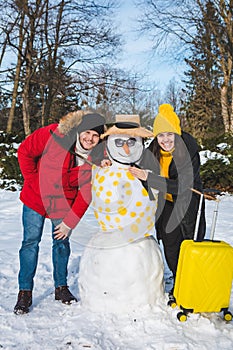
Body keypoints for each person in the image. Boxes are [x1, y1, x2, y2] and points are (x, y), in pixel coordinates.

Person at [14, 110, 106, 314]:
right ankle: (25, 292)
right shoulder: (54, 135)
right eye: (87, 132)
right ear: (80, 129)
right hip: (35, 198)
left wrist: (69, 223)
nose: (90, 138)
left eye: (95, 135)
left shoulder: (95, 160)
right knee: (30, 242)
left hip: (63, 205)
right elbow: (25, 151)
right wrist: (33, 180)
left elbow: (85, 195)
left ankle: (61, 287)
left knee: (61, 242)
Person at [129, 104, 206, 296]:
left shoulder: (188, 151)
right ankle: (179, 282)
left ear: (177, 133)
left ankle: (193, 284)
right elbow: (134, 166)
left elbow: (184, 187)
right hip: (168, 204)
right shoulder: (152, 151)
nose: (165, 140)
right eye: (161, 135)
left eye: (169, 134)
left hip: (188, 204)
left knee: (189, 244)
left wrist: (150, 178)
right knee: (170, 246)